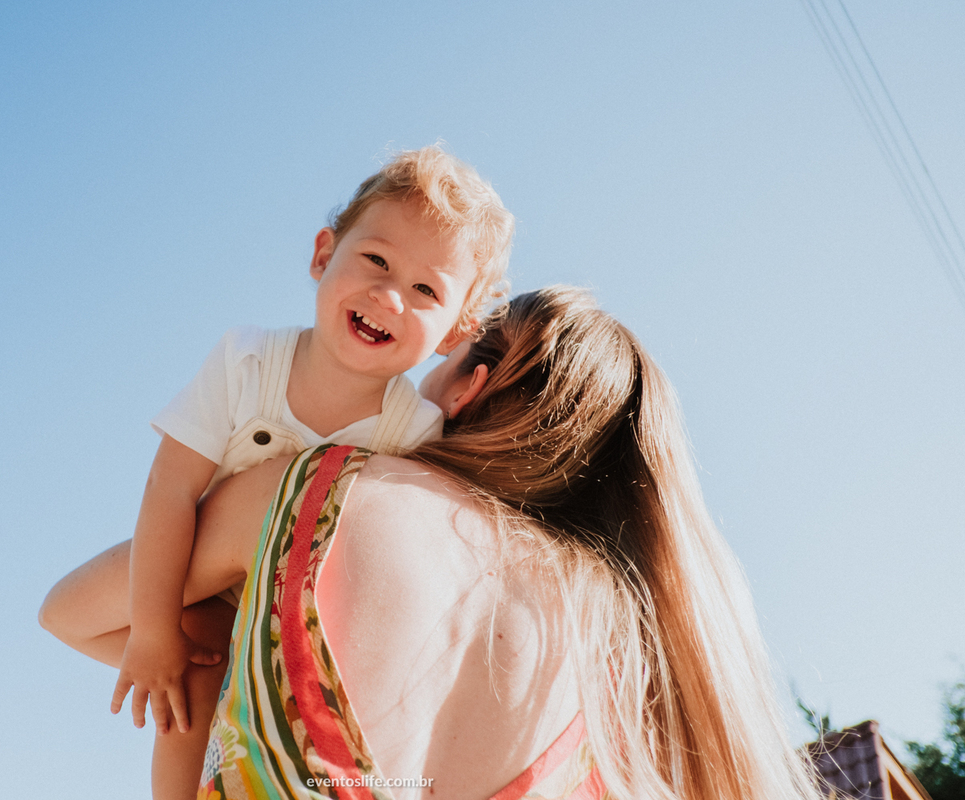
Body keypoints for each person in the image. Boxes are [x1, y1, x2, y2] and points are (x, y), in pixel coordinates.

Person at [178, 286, 824, 799]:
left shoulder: (308, 486)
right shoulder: (633, 659)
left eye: (442, 362)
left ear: (469, 386)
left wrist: (219, 628)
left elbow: (77, 611)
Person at [39, 146, 514, 797]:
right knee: (69, 615)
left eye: (424, 290)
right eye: (375, 259)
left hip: (290, 614)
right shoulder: (248, 362)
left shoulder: (411, 435)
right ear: (324, 254)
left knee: (198, 688)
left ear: (454, 332)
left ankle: (240, 707)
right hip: (194, 576)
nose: (389, 295)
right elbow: (171, 488)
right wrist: (153, 634)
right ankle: (212, 675)